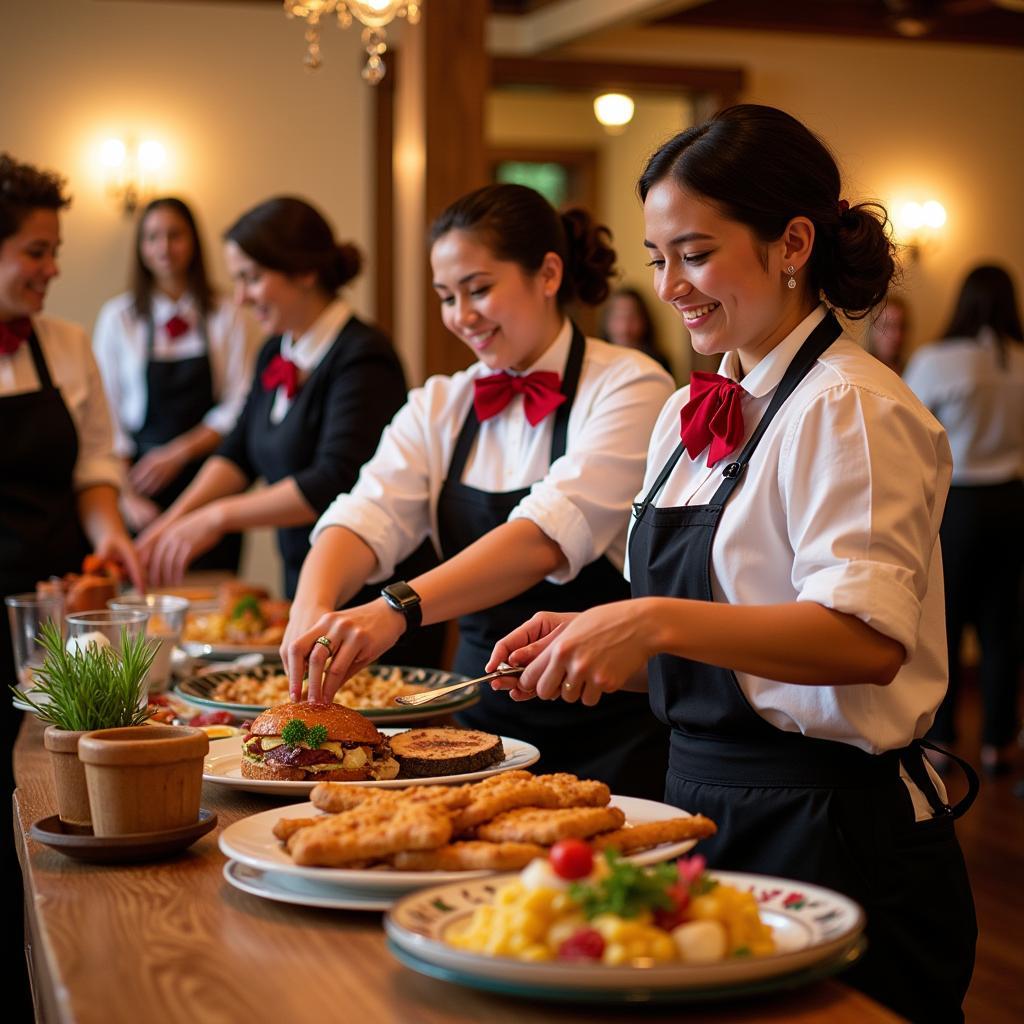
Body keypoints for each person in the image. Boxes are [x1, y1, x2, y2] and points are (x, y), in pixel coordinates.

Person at [487, 107, 976, 1023]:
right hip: (700, 805)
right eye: (656, 256)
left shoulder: (851, 410)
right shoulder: (688, 414)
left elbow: (866, 642)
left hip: (830, 828)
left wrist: (650, 620)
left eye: (696, 253)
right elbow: (731, 645)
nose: (669, 284)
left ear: (792, 243)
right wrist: (602, 645)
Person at [281, 183, 675, 798]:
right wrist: (311, 612)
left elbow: (545, 537)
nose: (462, 315)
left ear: (548, 273)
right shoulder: (441, 403)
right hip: (474, 726)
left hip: (613, 728)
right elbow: (364, 514)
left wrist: (396, 608)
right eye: (446, 296)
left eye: (478, 288)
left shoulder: (631, 383)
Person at [137, 195, 439, 655]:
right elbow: (237, 453)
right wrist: (173, 522)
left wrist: (218, 518)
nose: (240, 297)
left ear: (303, 271)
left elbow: (331, 481)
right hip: (305, 579)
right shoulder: (275, 351)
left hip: (375, 601)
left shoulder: (364, 355)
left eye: (252, 278)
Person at [1, 152, 143, 681]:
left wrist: (110, 533)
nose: (53, 270)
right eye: (36, 252)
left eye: (54, 252)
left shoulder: (68, 344)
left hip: (61, 611)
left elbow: (93, 466)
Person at [904, 264, 1024, 777]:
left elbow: (907, 429)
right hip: (1014, 502)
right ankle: (999, 743)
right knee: (1003, 628)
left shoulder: (938, 359)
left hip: (960, 502)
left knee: (944, 622)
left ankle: (941, 739)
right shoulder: (1021, 359)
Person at [93, 197, 258, 570]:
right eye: (152, 237)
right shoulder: (118, 318)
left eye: (175, 235)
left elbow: (240, 402)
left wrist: (179, 452)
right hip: (140, 487)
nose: (163, 247)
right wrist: (126, 495)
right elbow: (107, 413)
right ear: (140, 247)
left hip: (211, 481)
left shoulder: (227, 314)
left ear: (194, 241)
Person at [601, 285, 673, 373]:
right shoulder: (597, 361)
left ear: (644, 321)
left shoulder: (658, 362)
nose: (624, 328)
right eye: (618, 317)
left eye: (632, 318)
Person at [864, 291, 910, 374]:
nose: (897, 335)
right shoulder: (861, 371)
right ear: (872, 328)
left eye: (901, 326)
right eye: (887, 326)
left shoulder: (911, 371)